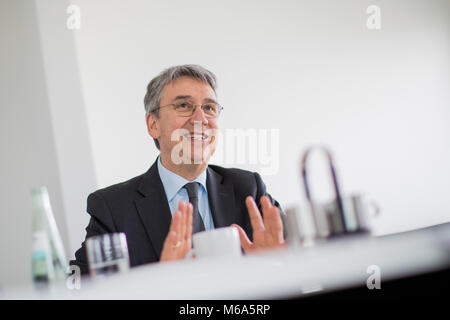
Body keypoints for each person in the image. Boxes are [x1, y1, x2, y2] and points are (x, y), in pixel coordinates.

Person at [70, 65, 285, 274]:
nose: (200, 120)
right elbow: (75, 290)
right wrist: (161, 286)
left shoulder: (249, 188)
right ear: (153, 124)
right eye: (184, 106)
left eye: (209, 108)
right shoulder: (112, 209)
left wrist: (276, 266)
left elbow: (297, 263)